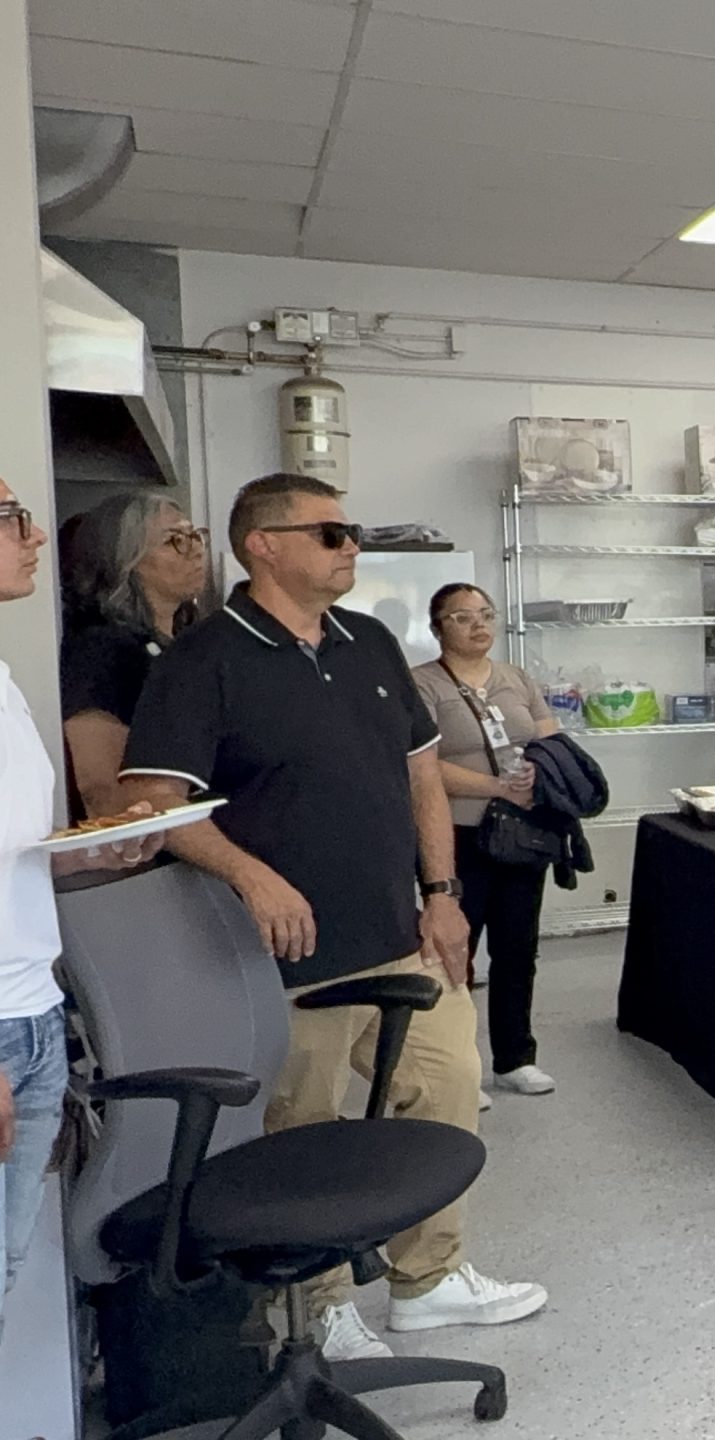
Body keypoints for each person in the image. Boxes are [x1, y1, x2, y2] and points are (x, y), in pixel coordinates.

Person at [119, 474, 546, 1362]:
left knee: (448, 1091)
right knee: (303, 1128)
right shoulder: (203, 661)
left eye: (351, 533)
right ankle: (317, 1309)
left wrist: (442, 894)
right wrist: (253, 876)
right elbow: (154, 802)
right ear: (264, 545)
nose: (351, 546)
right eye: (331, 533)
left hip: (400, 931)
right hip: (282, 954)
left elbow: (420, 775)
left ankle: (428, 1280)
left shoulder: (370, 642)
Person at [1, 477, 163, 1340]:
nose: (35, 537)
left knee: (6, 1264)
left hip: (31, 1012)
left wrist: (93, 847)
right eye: (9, 518)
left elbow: (16, 851)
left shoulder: (2, 679)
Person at [414, 582, 562, 1099]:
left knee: (517, 947)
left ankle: (515, 1058)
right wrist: (498, 787)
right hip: (458, 832)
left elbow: (550, 739)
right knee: (456, 950)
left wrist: (542, 774)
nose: (478, 625)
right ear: (437, 628)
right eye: (462, 617)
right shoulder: (422, 684)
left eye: (485, 614)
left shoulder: (515, 678)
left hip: (522, 831)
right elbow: (423, 767)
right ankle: (457, 1069)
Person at [57, 492, 209, 819]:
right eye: (174, 541)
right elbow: (99, 785)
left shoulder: (190, 643)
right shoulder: (103, 649)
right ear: (126, 560)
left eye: (195, 535)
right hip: (156, 839)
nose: (196, 549)